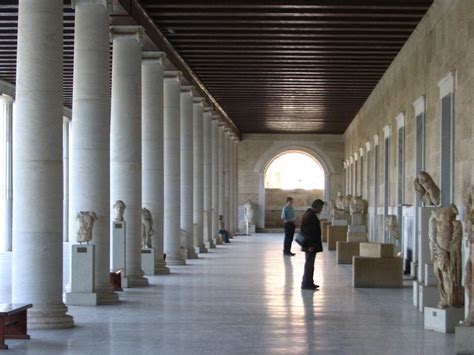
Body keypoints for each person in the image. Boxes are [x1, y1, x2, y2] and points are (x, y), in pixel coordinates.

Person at [300, 199, 324, 290]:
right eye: (321, 207)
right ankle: (306, 283)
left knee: (310, 264)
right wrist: (310, 245)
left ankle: (309, 282)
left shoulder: (309, 214)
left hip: (310, 244)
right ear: (317, 206)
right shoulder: (311, 216)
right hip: (310, 245)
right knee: (309, 264)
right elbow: (309, 232)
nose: (321, 209)